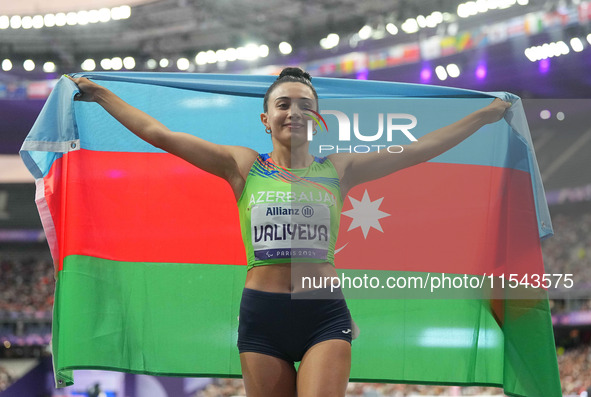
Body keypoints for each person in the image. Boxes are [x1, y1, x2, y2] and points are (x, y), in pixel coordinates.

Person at [66, 68, 511, 397]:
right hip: (262, 317)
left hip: (323, 313)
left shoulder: (339, 168)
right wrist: (102, 94)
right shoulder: (242, 166)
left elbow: (419, 150)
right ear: (266, 119)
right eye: (284, 104)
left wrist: (485, 116)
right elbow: (158, 133)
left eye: (305, 106)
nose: (294, 113)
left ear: (317, 118)